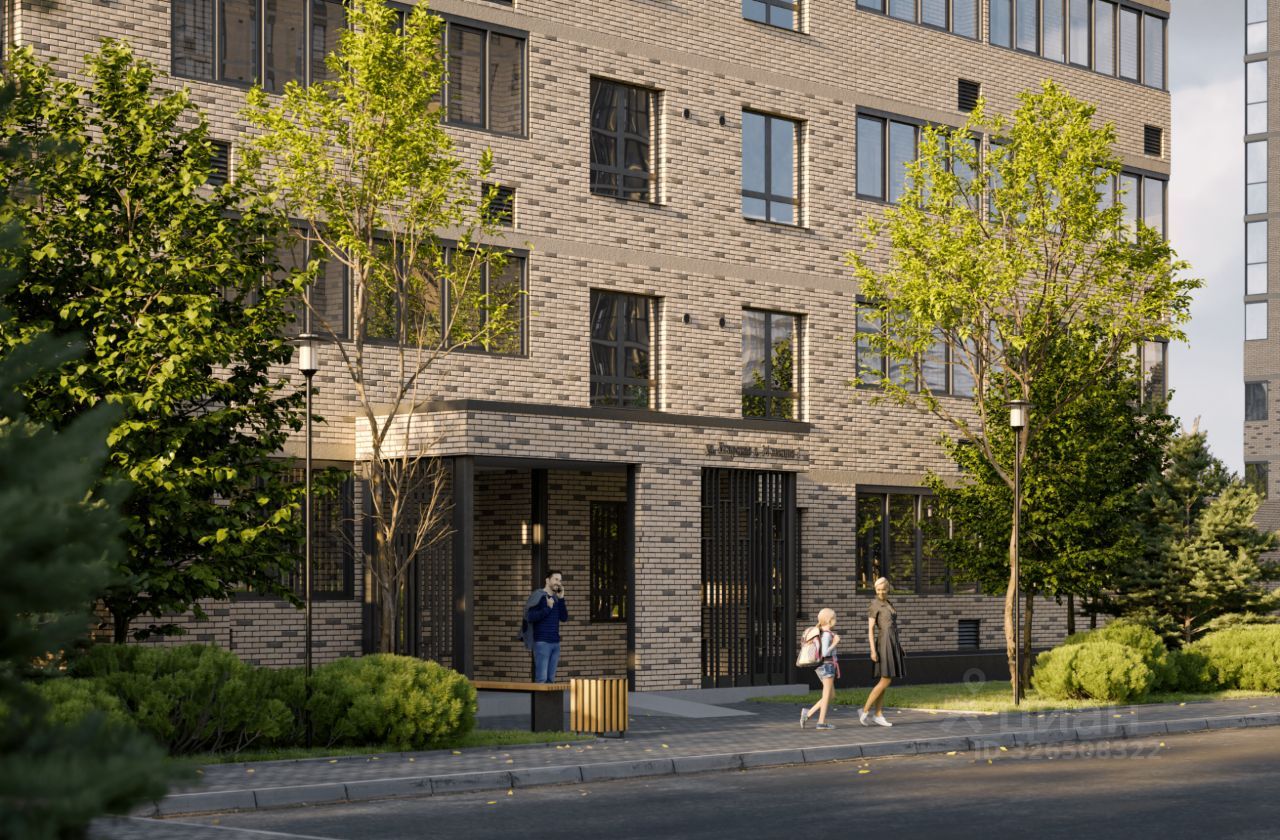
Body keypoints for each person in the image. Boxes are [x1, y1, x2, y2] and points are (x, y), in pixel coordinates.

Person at [861, 577, 905, 727]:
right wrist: (872, 651)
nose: (881, 592)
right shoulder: (874, 605)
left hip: (892, 643)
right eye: (878, 589)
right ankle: (865, 710)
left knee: (885, 680)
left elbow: (892, 626)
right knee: (886, 679)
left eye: (883, 589)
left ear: (888, 589)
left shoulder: (888, 603)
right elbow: (870, 630)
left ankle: (878, 714)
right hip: (884, 643)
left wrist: (898, 645)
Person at [524, 570, 568, 683]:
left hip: (555, 643)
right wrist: (547, 608)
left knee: (550, 680)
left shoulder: (557, 598)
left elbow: (564, 618)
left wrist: (561, 598)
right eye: (556, 579)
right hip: (542, 643)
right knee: (542, 679)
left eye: (560, 580)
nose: (558, 583)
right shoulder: (538, 595)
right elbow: (529, 617)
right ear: (547, 580)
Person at [800, 608, 840, 731]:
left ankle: (808, 713)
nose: (836, 620)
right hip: (827, 665)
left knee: (831, 695)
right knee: (826, 694)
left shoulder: (822, 632)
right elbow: (825, 653)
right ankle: (821, 722)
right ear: (829, 620)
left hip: (823, 666)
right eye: (835, 618)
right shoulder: (827, 635)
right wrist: (835, 642)